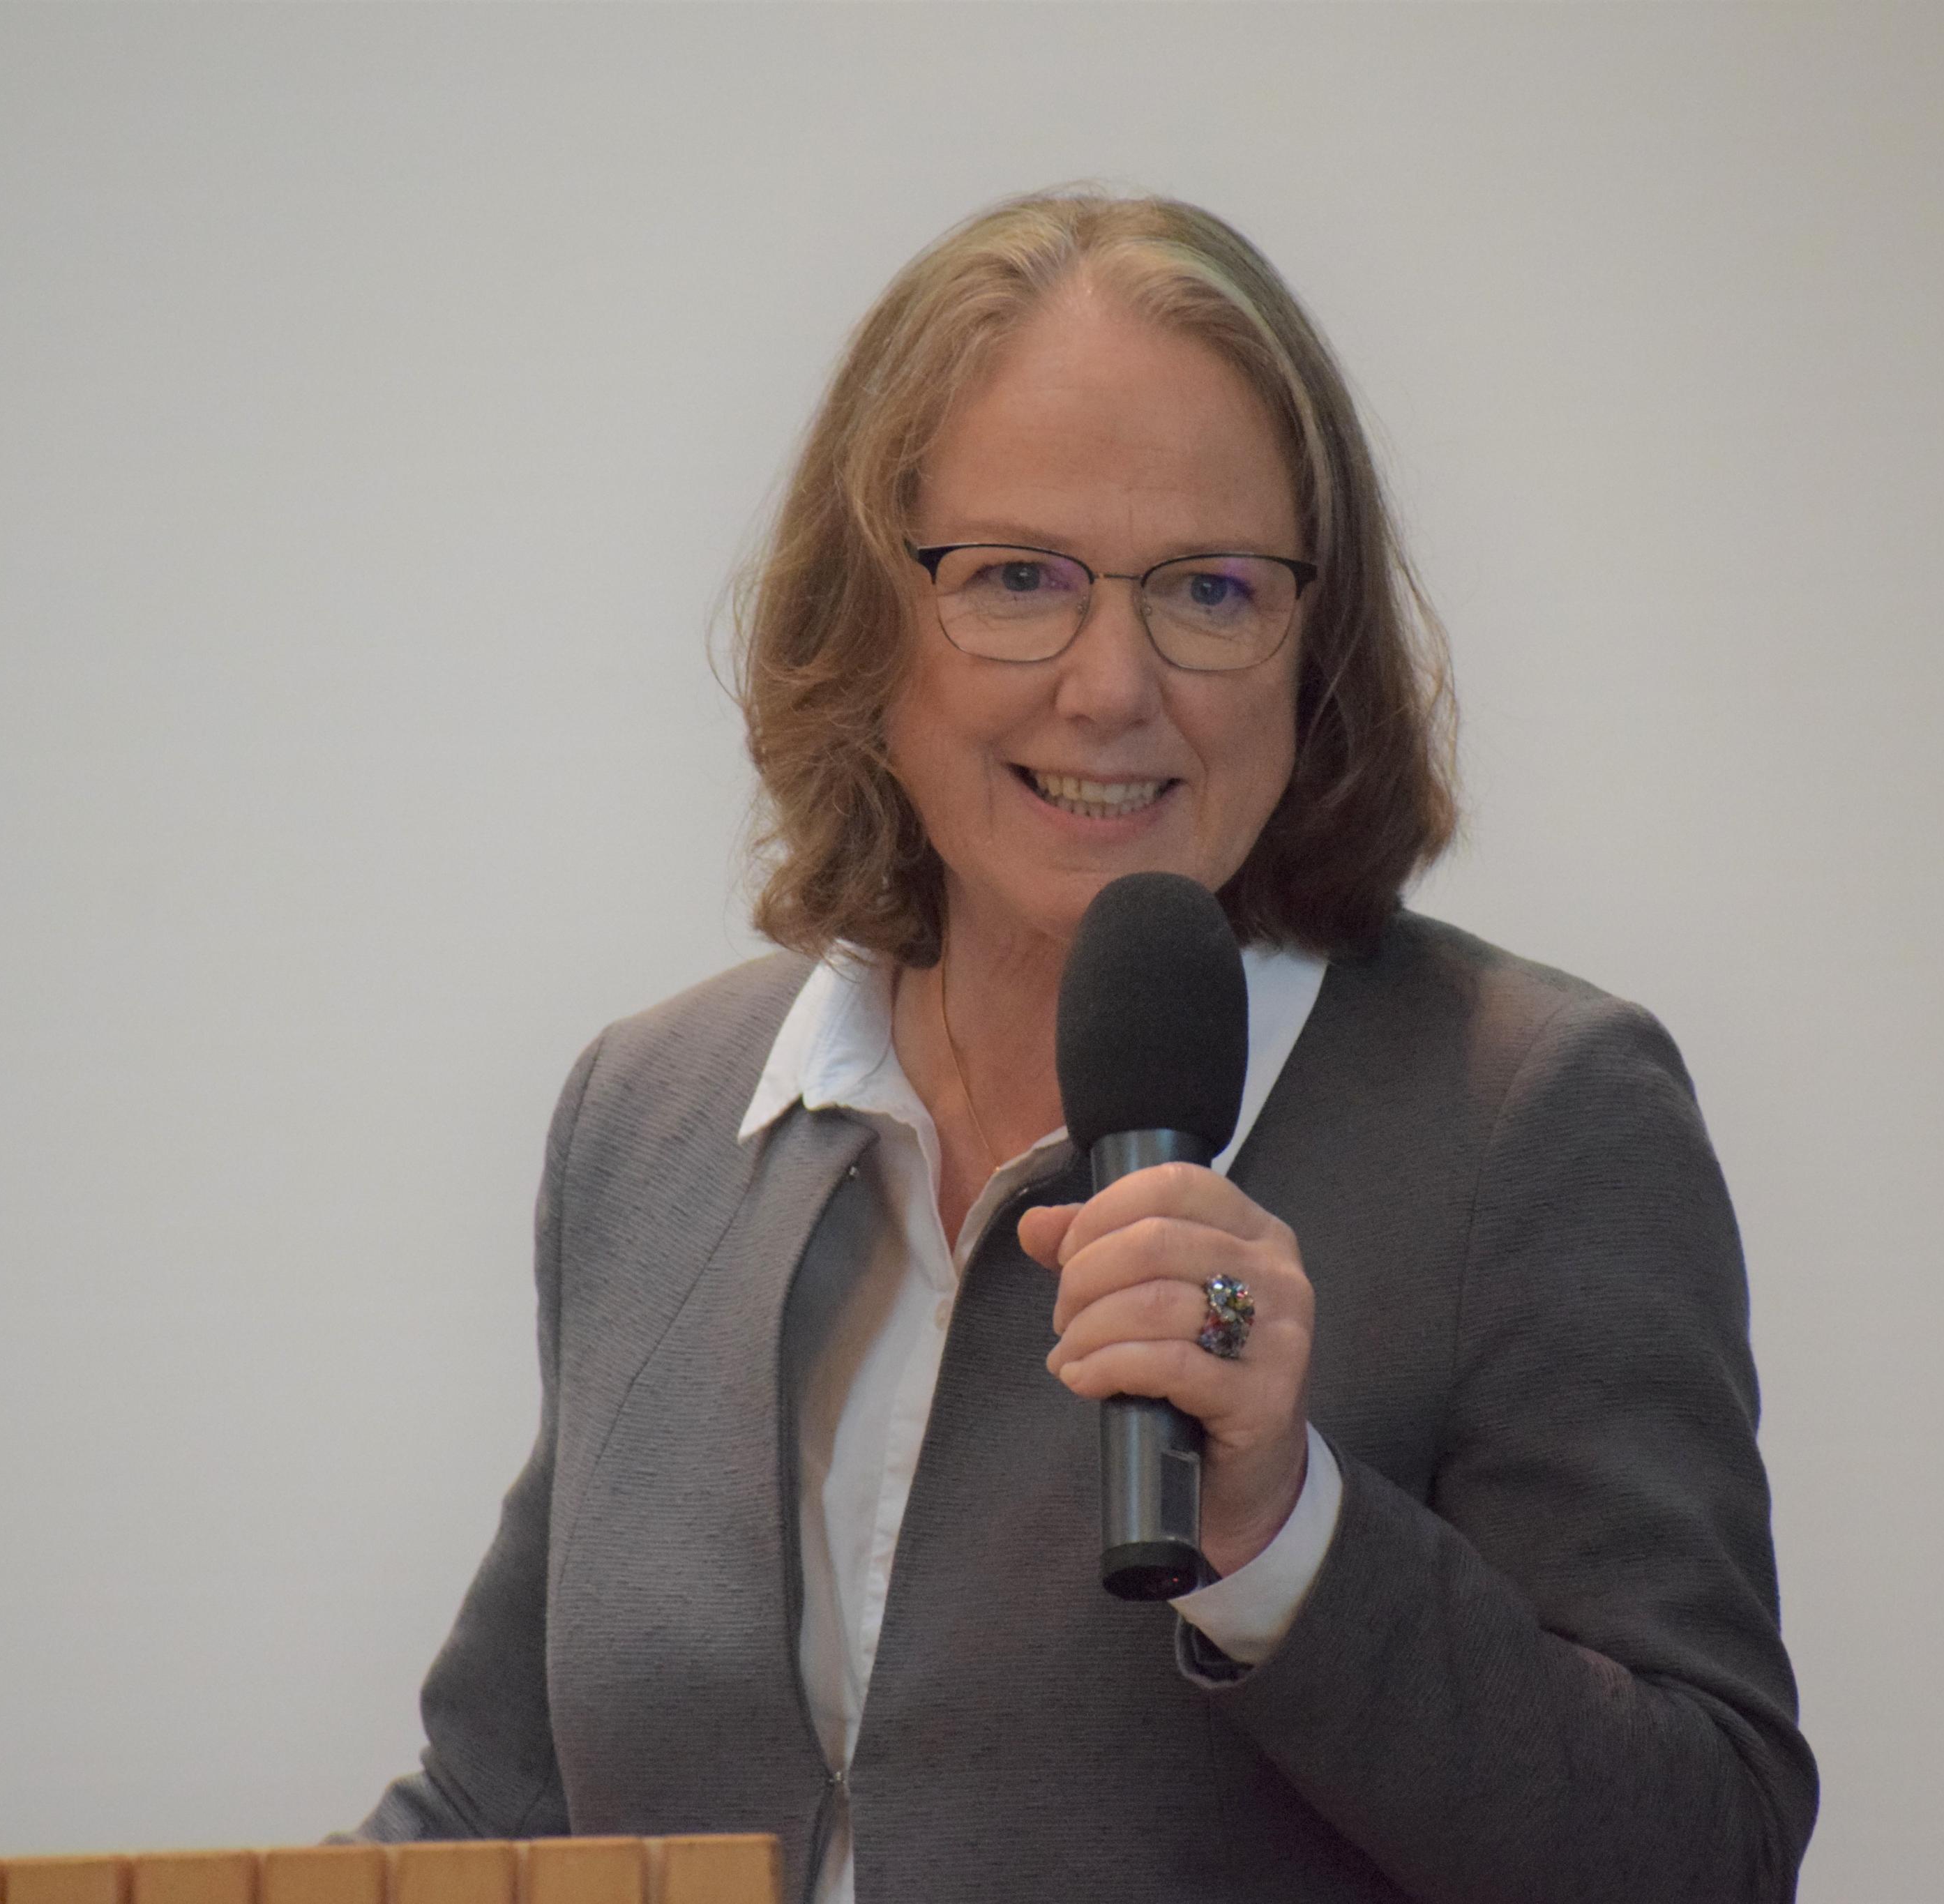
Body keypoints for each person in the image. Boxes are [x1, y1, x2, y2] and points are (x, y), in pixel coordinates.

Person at [354, 190, 1815, 1903]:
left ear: (1311, 649)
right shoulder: (655, 1121)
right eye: (1015, 579)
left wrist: (1283, 1532)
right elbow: (501, 1810)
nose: (1111, 686)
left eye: (1208, 588)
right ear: (864, 623)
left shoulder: (1528, 1114)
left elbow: (1702, 1853)